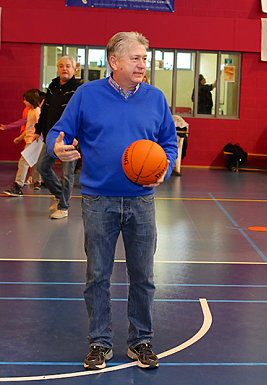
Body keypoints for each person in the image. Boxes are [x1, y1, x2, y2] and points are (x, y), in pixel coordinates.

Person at [46, 31, 178, 371]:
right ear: (114, 61)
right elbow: (57, 134)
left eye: (145, 59)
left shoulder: (155, 97)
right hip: (98, 199)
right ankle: (100, 343)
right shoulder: (87, 95)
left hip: (142, 202)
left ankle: (141, 341)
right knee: (98, 275)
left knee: (144, 276)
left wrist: (164, 164)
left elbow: (168, 142)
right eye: (136, 58)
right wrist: (57, 148)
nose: (142, 64)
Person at [34, 55, 82, 219]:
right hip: (51, 138)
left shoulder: (78, 88)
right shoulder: (53, 86)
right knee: (42, 166)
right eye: (61, 65)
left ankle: (63, 206)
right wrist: (37, 130)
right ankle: (59, 194)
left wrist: (78, 135)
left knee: (67, 174)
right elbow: (45, 111)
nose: (64, 68)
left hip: (69, 138)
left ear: (74, 68)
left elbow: (83, 114)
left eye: (68, 66)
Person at [3, 89, 43, 196]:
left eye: (25, 100)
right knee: (33, 162)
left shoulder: (37, 111)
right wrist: (20, 137)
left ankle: (18, 185)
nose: (24, 102)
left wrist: (41, 141)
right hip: (29, 140)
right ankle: (37, 181)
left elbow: (40, 127)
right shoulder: (30, 111)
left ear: (31, 99)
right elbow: (27, 125)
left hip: (34, 141)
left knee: (23, 162)